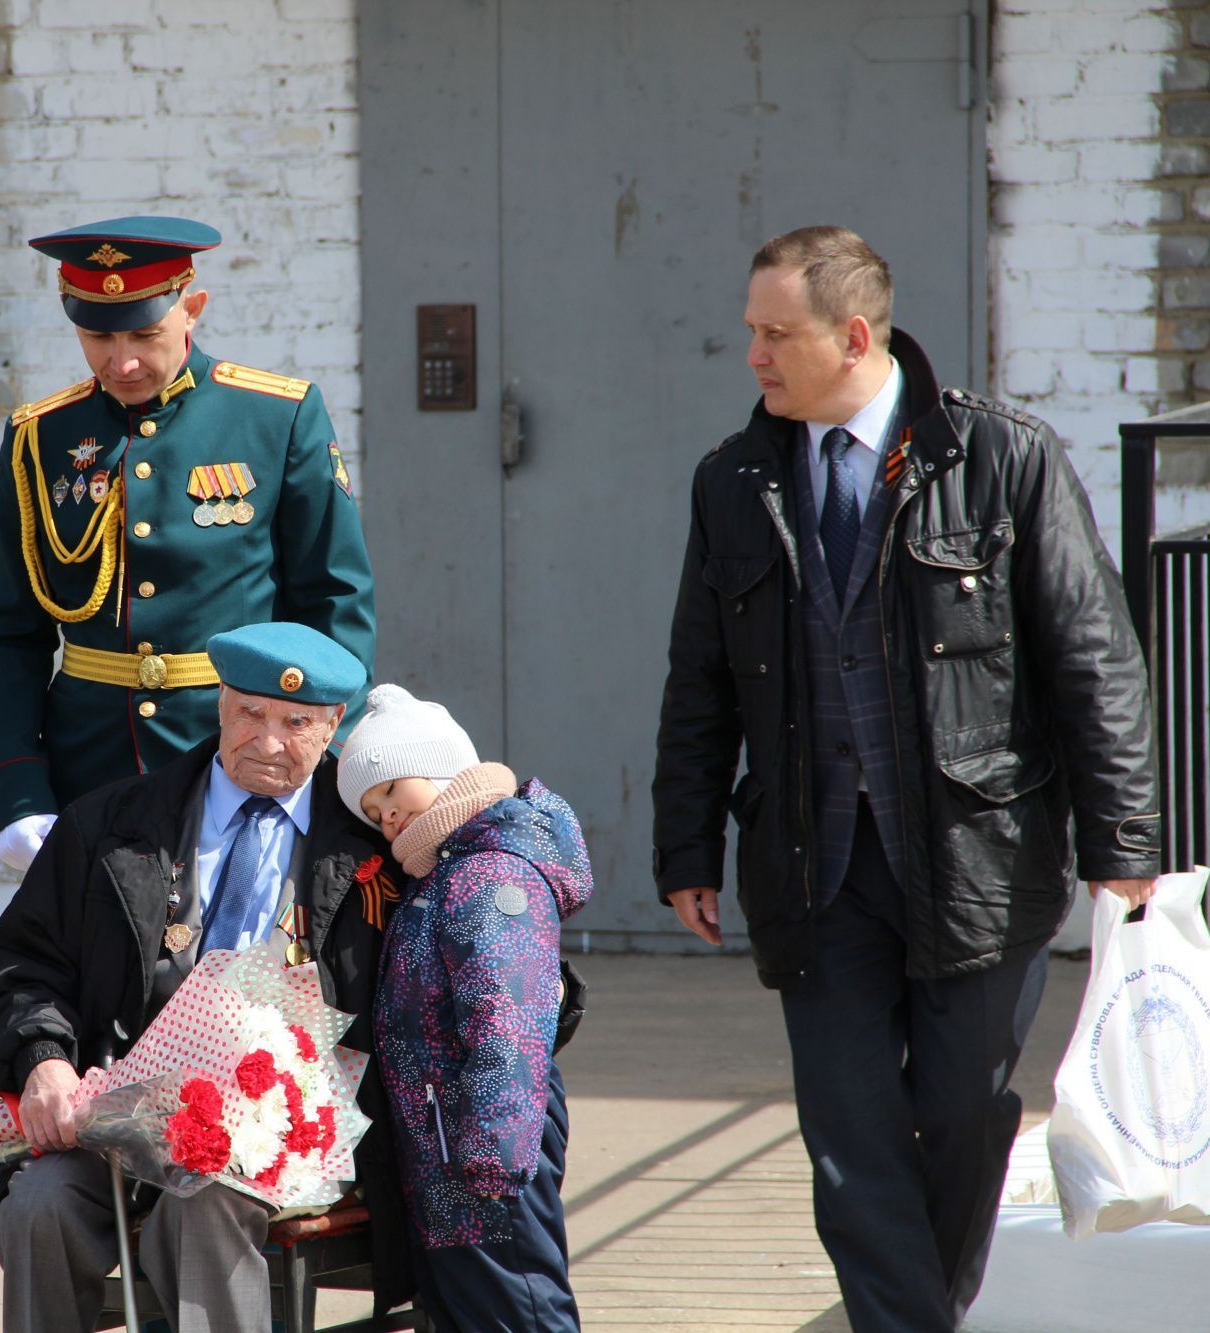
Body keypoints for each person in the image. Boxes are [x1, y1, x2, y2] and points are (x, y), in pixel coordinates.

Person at [652, 226, 1161, 1331]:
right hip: (809, 859)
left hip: (979, 852)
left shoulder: (1003, 456)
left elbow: (1094, 657)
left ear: (848, 336)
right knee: (847, 1132)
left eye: (773, 334)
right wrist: (683, 845)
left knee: (964, 1116)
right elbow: (698, 680)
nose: (751, 354)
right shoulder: (731, 482)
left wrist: (1122, 846)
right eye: (749, 331)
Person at [0, 622, 409, 1333]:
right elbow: (28, 964)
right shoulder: (109, 825)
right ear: (219, 703)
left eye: (297, 722)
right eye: (250, 713)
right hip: (119, 1113)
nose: (269, 741)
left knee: (204, 1202)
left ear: (336, 724)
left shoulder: (374, 845)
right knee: (39, 1207)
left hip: (288, 1129)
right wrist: (44, 1061)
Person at [0, 215, 377, 873]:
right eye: (96, 335)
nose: (120, 361)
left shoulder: (277, 416)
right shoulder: (40, 436)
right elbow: (4, 633)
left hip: (241, 759)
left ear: (193, 308)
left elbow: (334, 602)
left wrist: (320, 762)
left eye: (145, 333)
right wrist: (18, 790)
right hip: (90, 772)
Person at [339, 684, 591, 1332]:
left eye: (391, 790)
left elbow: (505, 1019)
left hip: (486, 1155)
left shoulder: (491, 876)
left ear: (442, 765)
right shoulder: (448, 873)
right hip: (449, 1151)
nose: (386, 816)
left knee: (520, 1310)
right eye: (373, 809)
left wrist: (493, 1156)